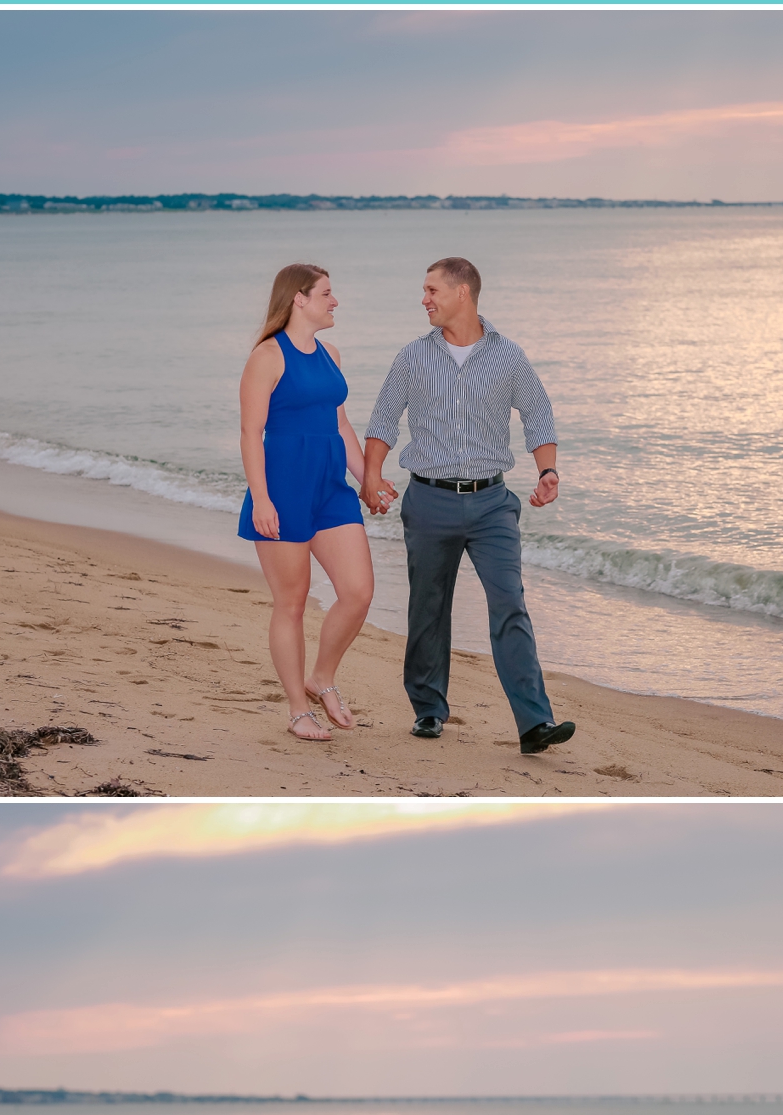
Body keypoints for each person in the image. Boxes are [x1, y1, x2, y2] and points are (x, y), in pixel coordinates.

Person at [360, 258, 576, 756]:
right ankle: (429, 710)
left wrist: (548, 472)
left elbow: (538, 413)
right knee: (428, 608)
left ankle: (533, 724)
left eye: (432, 290)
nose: (424, 299)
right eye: (424, 291)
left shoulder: (509, 356)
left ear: (463, 293)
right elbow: (383, 419)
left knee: (510, 604)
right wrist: (371, 478)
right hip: (429, 499)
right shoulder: (413, 357)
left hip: (492, 504)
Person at [238, 263, 394, 741]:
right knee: (292, 601)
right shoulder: (267, 356)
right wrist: (262, 499)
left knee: (358, 591)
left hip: (330, 489)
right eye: (327, 293)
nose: (335, 301)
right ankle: (296, 709)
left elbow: (341, 425)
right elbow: (250, 432)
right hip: (283, 491)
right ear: (299, 299)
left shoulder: (330, 354)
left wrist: (368, 480)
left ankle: (321, 677)